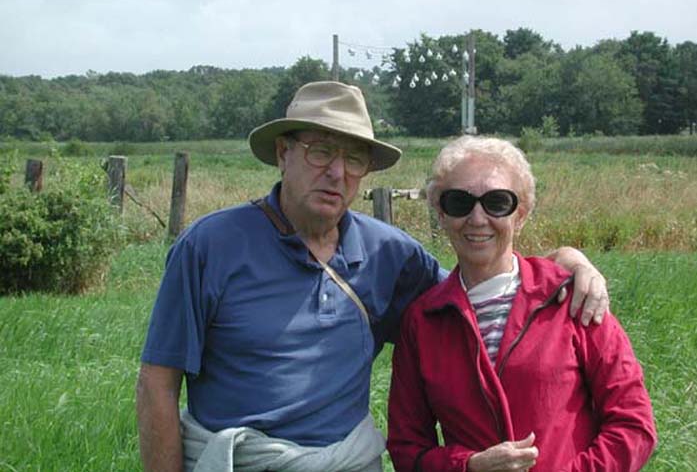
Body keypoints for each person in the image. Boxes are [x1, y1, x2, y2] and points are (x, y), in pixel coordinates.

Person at [136, 82, 610, 472]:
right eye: (320, 151)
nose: (337, 172)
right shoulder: (210, 246)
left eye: (354, 159)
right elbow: (158, 382)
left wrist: (566, 260)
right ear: (283, 153)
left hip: (347, 461)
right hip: (241, 460)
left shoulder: (390, 254)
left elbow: (481, 287)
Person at [387, 135, 656, 472]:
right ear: (440, 214)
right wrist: (467, 466)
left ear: (522, 214)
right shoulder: (423, 321)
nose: (477, 217)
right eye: (459, 202)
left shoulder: (572, 297)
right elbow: (407, 449)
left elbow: (634, 424)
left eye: (497, 202)